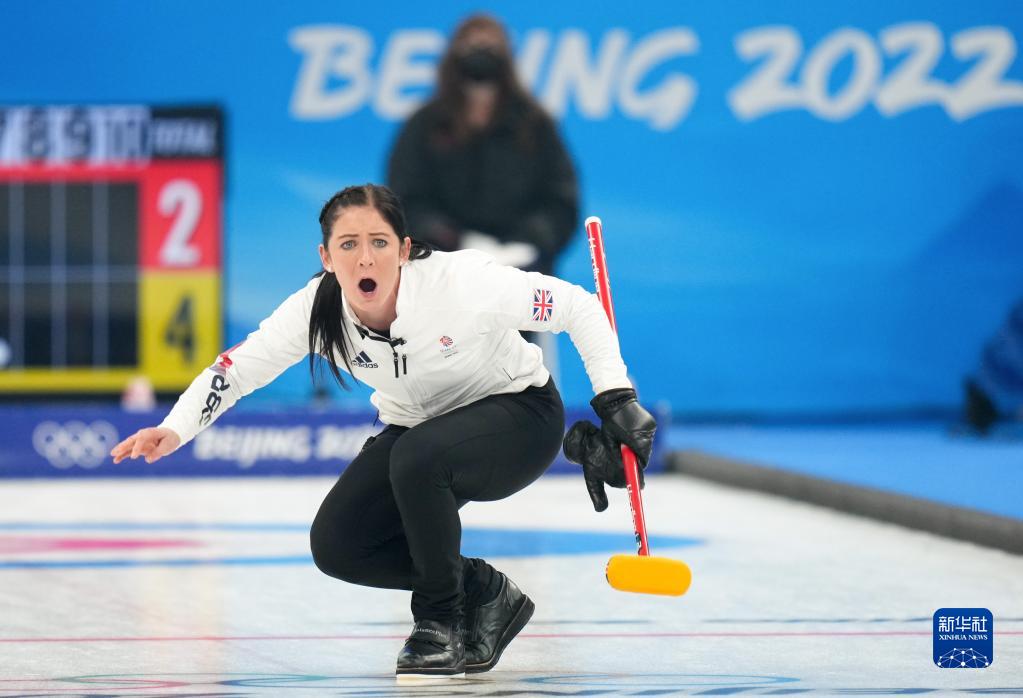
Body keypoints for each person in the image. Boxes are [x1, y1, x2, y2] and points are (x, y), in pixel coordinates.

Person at [109, 184, 655, 680]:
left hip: (520, 417)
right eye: (347, 245)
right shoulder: (315, 309)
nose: (364, 257)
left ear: (404, 248)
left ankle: (438, 624)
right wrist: (175, 427)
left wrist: (616, 399)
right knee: (338, 544)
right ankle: (482, 592)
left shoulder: (462, 283)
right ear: (325, 257)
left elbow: (577, 307)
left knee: (417, 456)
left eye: (378, 242)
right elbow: (238, 369)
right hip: (419, 434)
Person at [387, 13, 578, 277]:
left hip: (524, 269)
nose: (481, 55)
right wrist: (451, 239)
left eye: (490, 47)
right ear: (454, 55)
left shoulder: (534, 125)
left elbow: (561, 200)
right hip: (441, 267)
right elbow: (403, 199)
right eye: (472, 46)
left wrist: (528, 241)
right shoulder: (425, 125)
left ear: (506, 56)